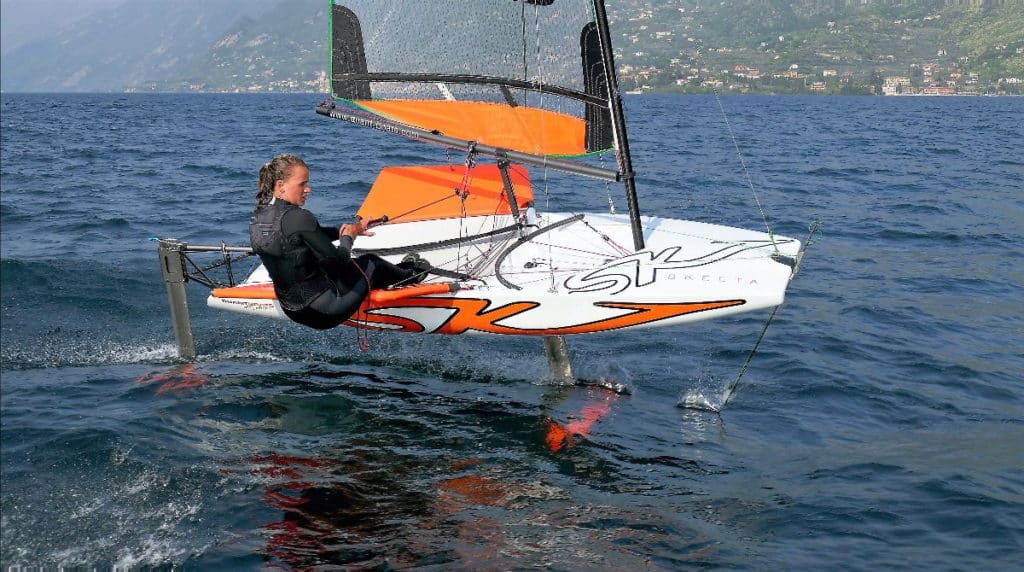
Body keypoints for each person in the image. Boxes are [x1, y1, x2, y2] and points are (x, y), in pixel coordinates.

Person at [250, 154, 429, 330]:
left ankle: (391, 275)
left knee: (325, 264)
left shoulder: (258, 217)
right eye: (302, 184)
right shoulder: (299, 217)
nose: (308, 189)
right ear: (280, 186)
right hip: (325, 312)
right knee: (370, 262)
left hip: (292, 310)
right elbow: (339, 262)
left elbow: (308, 236)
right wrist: (348, 238)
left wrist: (353, 228)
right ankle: (413, 273)